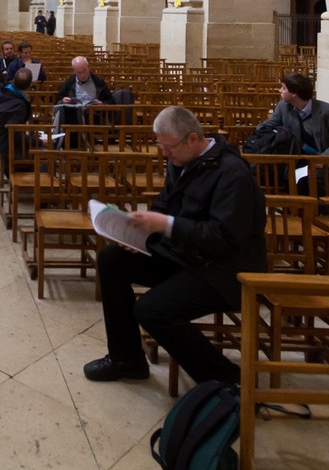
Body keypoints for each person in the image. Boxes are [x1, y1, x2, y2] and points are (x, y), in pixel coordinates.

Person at [83, 106, 267, 384]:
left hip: (224, 272)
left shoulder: (232, 174)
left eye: (169, 147)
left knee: (152, 309)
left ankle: (228, 382)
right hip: (186, 255)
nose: (165, 154)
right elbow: (165, 206)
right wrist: (139, 236)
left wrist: (165, 224)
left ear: (192, 139)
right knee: (112, 260)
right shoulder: (181, 161)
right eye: (162, 147)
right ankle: (127, 359)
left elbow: (224, 239)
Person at [257, 73, 329, 156]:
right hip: (295, 159)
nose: (280, 90)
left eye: (284, 88)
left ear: (294, 93)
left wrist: (322, 160)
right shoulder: (283, 107)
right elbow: (265, 127)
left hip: (323, 161)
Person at [54, 56, 114, 130]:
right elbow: (58, 100)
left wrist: (102, 104)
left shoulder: (98, 82)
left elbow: (110, 101)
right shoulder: (69, 83)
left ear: (88, 67)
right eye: (79, 73)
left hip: (95, 115)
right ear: (74, 71)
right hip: (74, 116)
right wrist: (63, 101)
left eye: (84, 71)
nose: (82, 75)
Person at [0, 67, 36, 161]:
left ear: (13, 81)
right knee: (46, 159)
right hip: (8, 146)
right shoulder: (19, 104)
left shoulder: (7, 92)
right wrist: (38, 141)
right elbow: (15, 133)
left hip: (1, 141)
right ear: (29, 86)